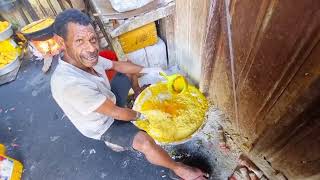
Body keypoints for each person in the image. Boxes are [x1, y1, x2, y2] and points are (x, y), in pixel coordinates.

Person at [51, 9, 208, 180]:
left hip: (107, 100)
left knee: (128, 68)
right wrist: (144, 116)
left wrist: (154, 70)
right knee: (146, 142)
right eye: (79, 41)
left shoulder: (88, 59)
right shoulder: (70, 85)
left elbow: (118, 66)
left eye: (92, 39)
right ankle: (178, 169)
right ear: (61, 42)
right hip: (102, 123)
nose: (91, 48)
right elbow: (117, 113)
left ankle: (138, 93)